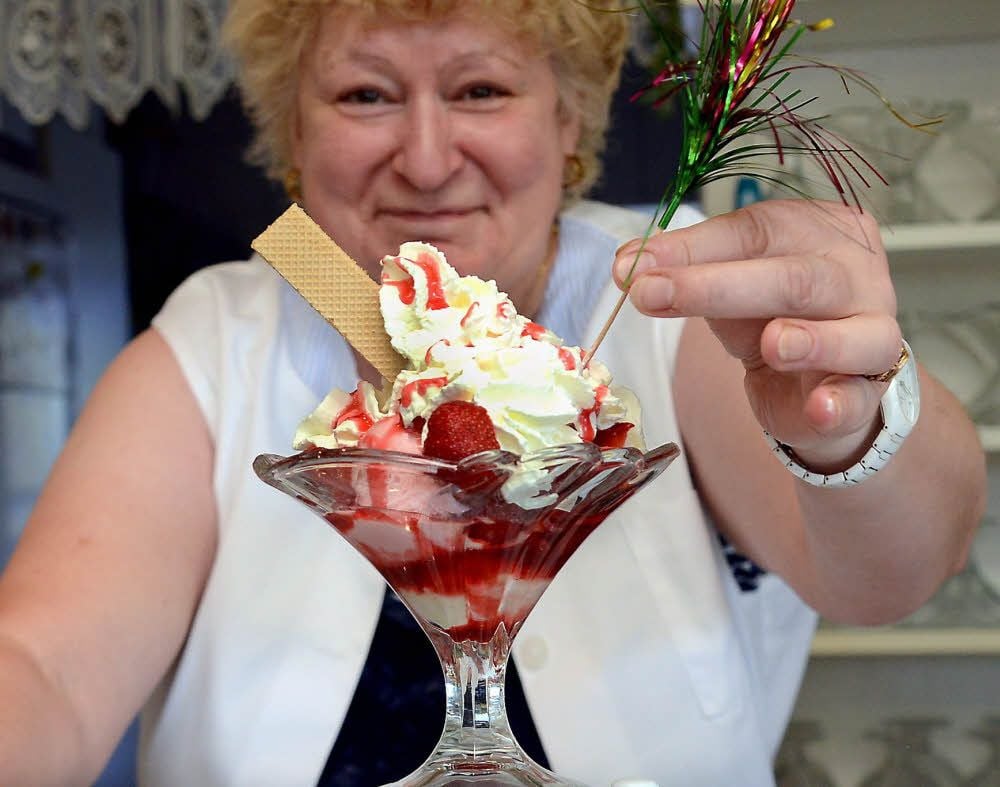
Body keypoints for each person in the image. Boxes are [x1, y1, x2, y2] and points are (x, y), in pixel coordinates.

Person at [0, 1, 986, 785]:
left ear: (568, 121)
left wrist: (848, 414)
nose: (426, 161)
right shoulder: (219, 337)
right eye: (363, 96)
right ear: (291, 131)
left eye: (478, 89)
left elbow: (892, 574)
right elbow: (43, 669)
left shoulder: (666, 294)